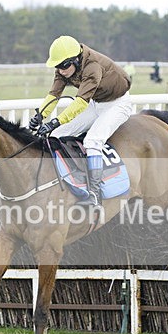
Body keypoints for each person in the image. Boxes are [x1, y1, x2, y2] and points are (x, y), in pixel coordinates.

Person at [28, 35, 133, 207]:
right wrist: (40, 115)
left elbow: (81, 102)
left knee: (92, 141)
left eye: (64, 66)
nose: (61, 71)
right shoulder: (64, 67)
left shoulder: (92, 67)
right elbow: (54, 94)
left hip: (117, 104)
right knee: (56, 134)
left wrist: (56, 121)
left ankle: (95, 194)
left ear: (76, 60)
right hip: (96, 103)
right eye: (57, 66)